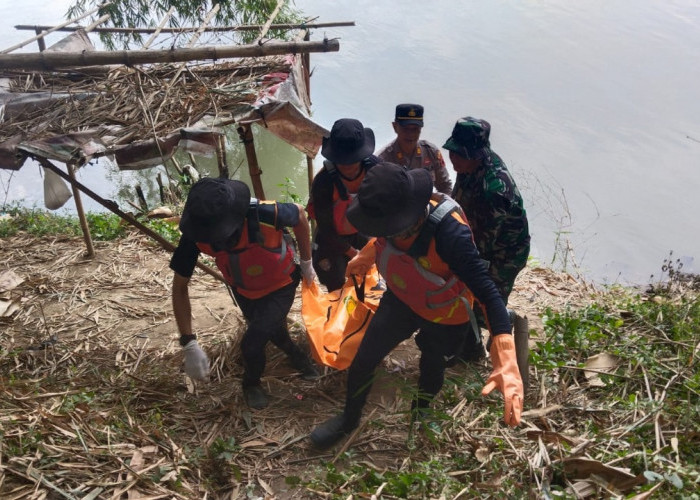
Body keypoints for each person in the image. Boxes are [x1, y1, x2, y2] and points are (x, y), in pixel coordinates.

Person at [309, 163, 523, 449]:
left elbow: (487, 292)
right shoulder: (391, 209)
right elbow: (382, 237)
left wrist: (506, 356)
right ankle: (349, 419)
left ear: (408, 218)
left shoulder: (450, 235)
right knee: (364, 359)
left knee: (432, 363)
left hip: (444, 312)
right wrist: (367, 256)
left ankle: (420, 410)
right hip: (402, 298)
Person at [170, 177, 320, 410]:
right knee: (271, 328)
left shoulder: (266, 213)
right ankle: (297, 356)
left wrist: (307, 261)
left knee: (252, 342)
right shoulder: (196, 234)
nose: (217, 239)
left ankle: (251, 383)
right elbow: (179, 286)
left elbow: (300, 215)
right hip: (244, 290)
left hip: (282, 284)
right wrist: (188, 342)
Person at [443, 116, 530, 305]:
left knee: (486, 302)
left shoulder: (495, 190)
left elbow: (481, 245)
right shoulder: (466, 165)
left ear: (476, 155)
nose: (453, 159)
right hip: (478, 234)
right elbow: (457, 202)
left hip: (504, 253)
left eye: (460, 154)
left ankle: (503, 322)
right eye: (452, 152)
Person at [309, 118, 379, 291]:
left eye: (352, 158)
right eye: (342, 159)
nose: (347, 164)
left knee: (371, 281)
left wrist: (372, 249)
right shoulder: (324, 182)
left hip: (362, 231)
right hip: (331, 237)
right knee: (338, 285)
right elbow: (326, 227)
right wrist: (354, 254)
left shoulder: (376, 170)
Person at [377, 103, 452, 195]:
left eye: (415, 129)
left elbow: (445, 186)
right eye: (405, 129)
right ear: (395, 127)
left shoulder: (431, 152)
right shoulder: (383, 160)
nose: (411, 134)